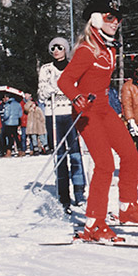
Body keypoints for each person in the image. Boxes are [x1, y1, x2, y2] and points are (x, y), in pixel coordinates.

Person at [57, 0, 138, 241]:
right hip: (87, 112)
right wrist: (76, 97)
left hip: (104, 109)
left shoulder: (108, 49)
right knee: (104, 164)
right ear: (96, 19)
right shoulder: (86, 50)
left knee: (130, 153)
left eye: (118, 18)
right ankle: (93, 223)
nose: (116, 22)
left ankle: (127, 207)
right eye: (110, 17)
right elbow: (65, 80)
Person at [38, 37, 85, 211]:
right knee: (59, 156)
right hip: (54, 115)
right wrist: (52, 90)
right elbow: (42, 92)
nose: (56, 50)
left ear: (65, 49)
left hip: (70, 113)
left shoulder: (73, 66)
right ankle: (63, 193)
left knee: (75, 153)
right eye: (53, 48)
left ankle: (79, 191)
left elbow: (79, 87)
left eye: (59, 47)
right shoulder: (46, 69)